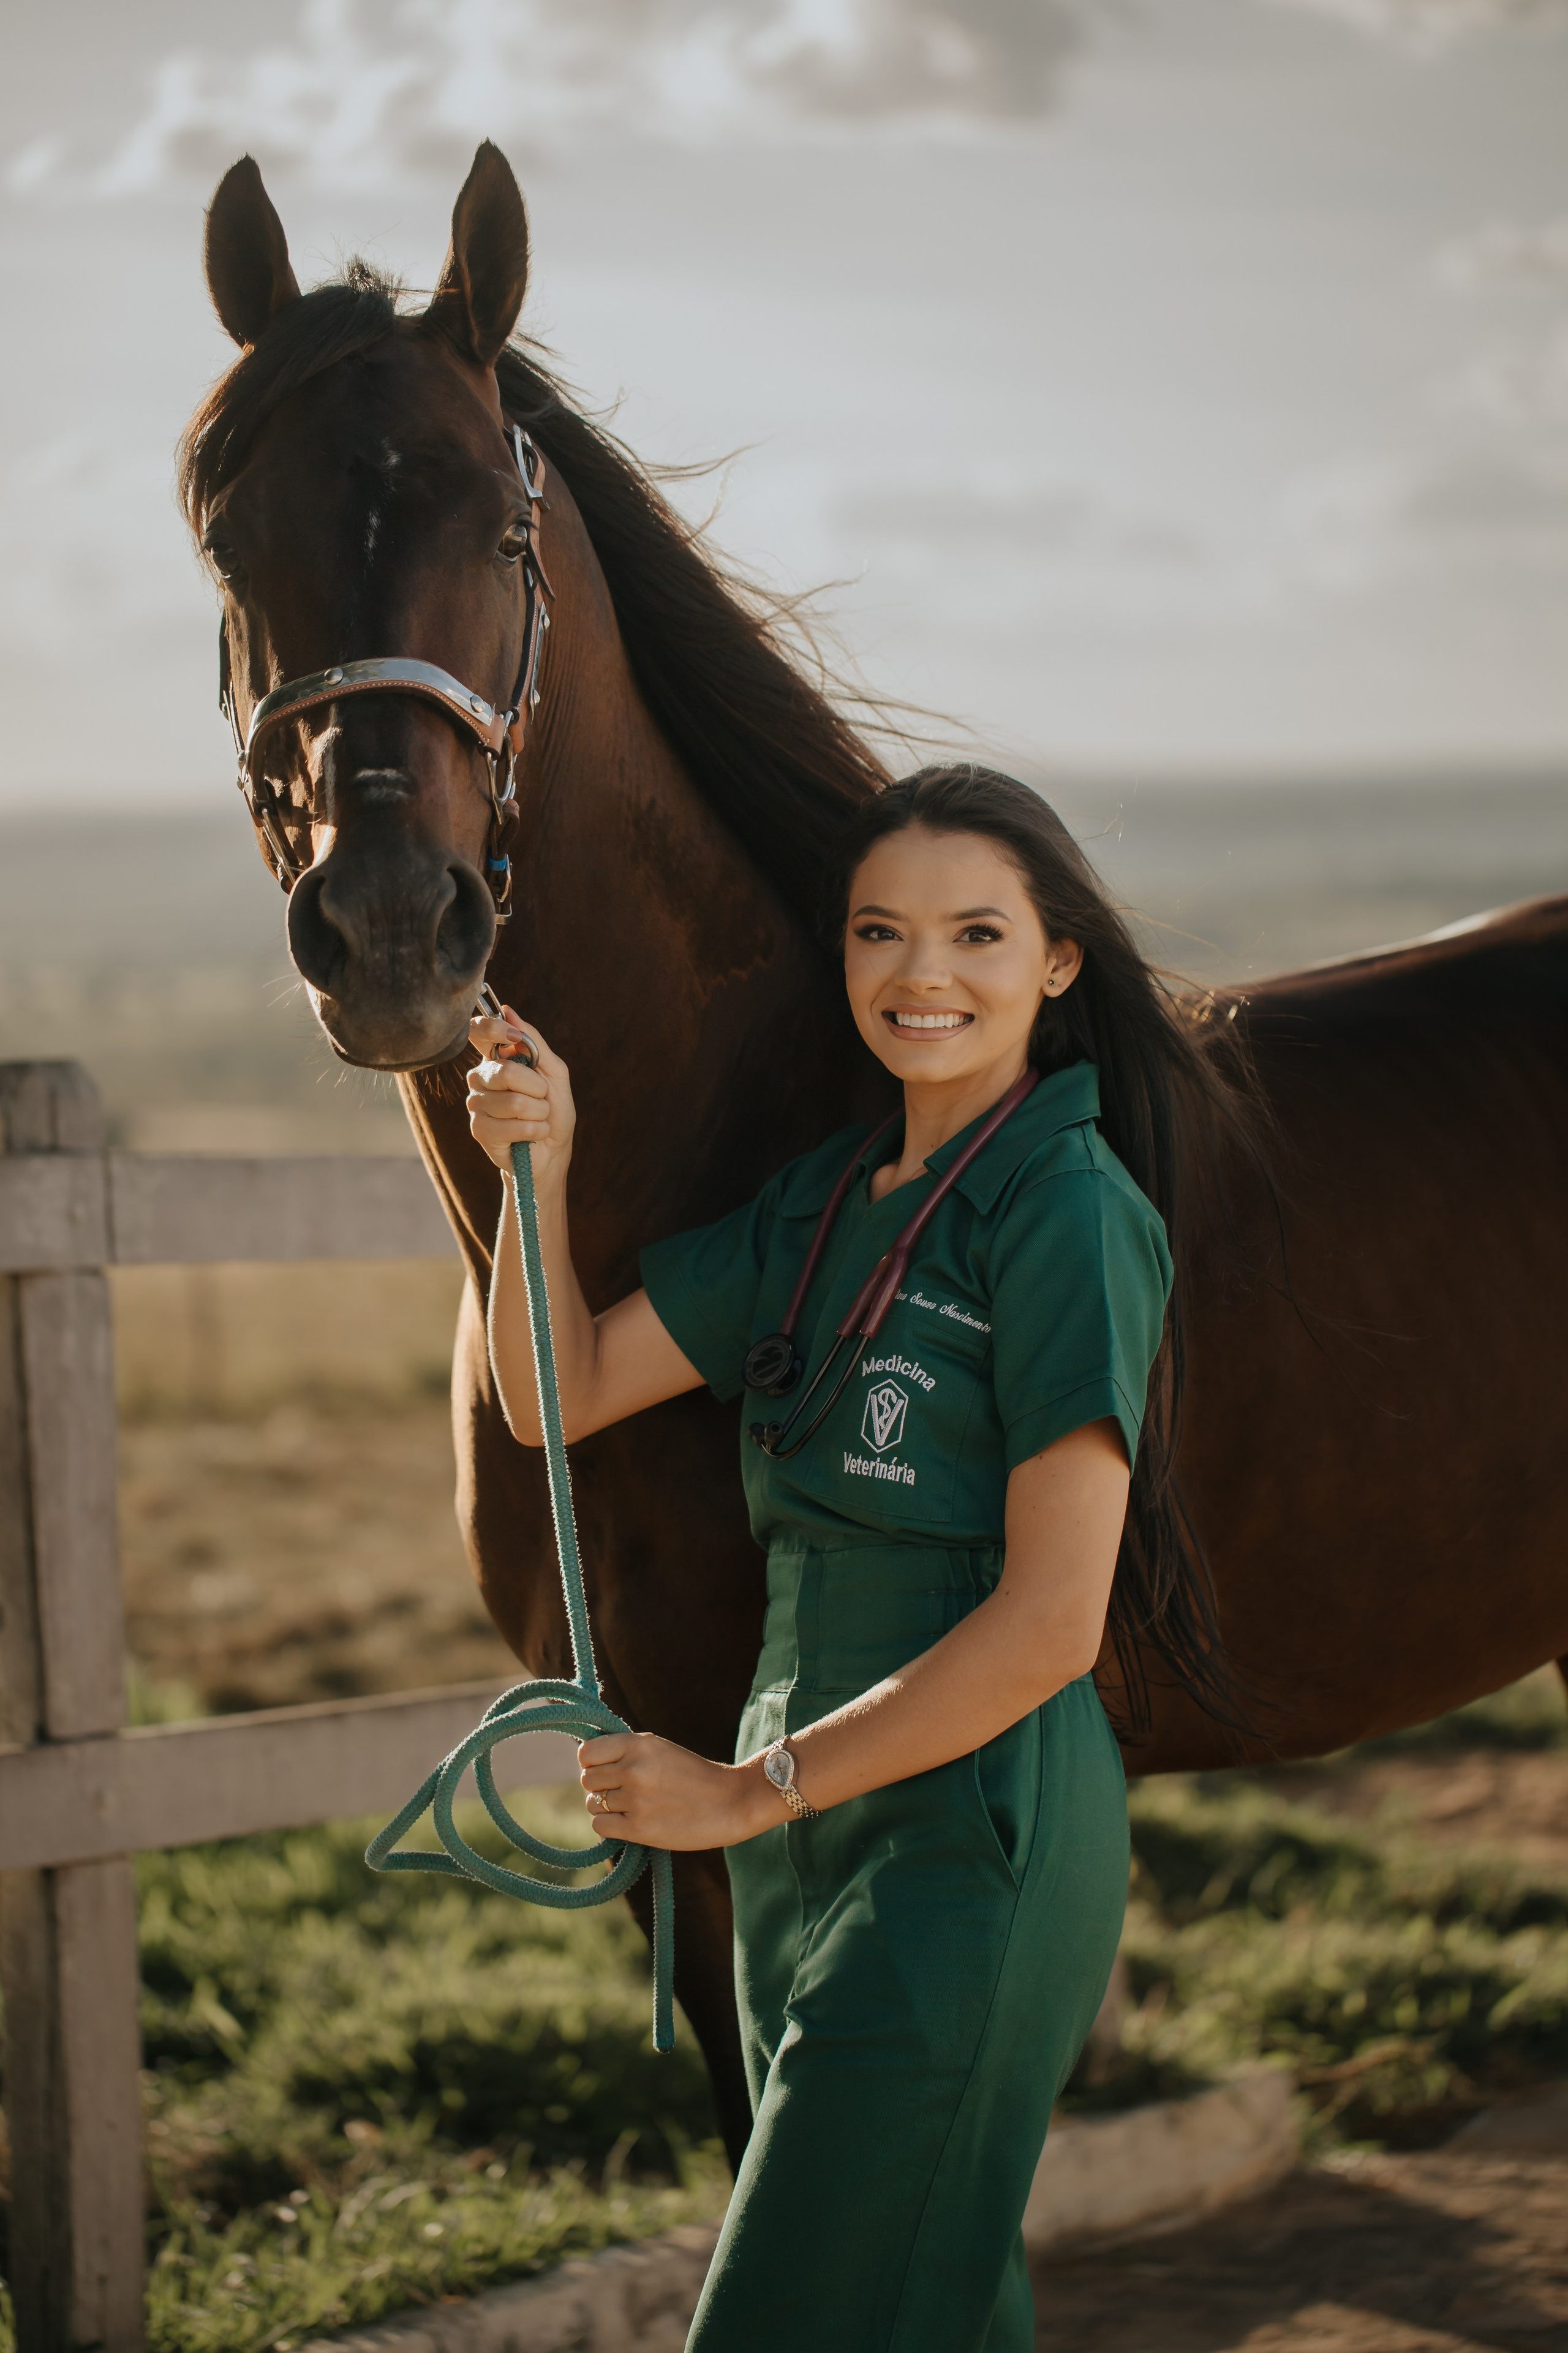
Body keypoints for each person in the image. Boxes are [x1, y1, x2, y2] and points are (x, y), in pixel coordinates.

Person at [465, 764, 1246, 2353]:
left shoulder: (1066, 1206)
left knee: (789, 2318)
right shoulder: (823, 1207)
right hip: (801, 1822)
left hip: (974, 1826)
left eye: (976, 931)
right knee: (928, 2310)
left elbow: (1049, 1623)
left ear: (1059, 961)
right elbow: (559, 1391)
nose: (923, 972)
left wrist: (748, 1792)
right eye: (882, 931)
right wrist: (533, 1172)